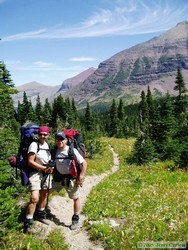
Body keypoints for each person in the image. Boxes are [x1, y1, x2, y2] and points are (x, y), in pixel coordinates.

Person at [53, 131, 87, 230]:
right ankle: (41, 211)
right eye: (58, 139)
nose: (60, 141)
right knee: (45, 191)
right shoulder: (54, 151)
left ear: (66, 140)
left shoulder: (72, 150)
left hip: (70, 179)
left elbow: (84, 163)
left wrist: (81, 176)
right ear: (55, 140)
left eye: (62, 139)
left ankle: (75, 218)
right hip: (58, 178)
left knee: (75, 198)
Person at [24, 126, 54, 233]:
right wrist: (44, 168)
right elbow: (30, 161)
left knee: (44, 194)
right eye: (41, 134)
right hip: (36, 173)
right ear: (38, 134)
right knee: (34, 198)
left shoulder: (47, 145)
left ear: (48, 135)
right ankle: (28, 222)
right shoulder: (34, 145)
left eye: (45, 134)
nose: (43, 136)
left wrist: (50, 167)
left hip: (46, 172)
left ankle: (40, 214)